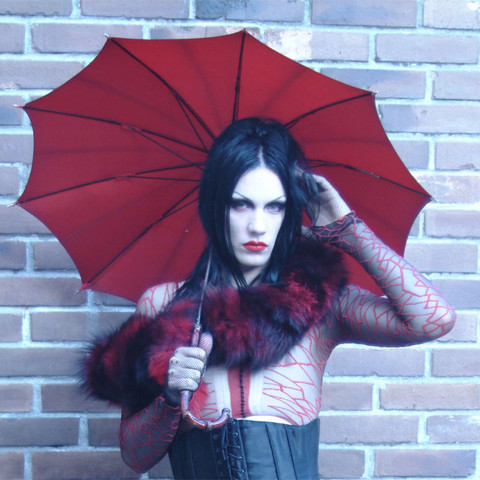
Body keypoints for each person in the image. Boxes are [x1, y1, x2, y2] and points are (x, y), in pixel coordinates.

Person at [84, 117, 455, 479]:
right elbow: (135, 457)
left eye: (274, 206)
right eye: (240, 204)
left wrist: (350, 232)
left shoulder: (322, 302)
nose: (258, 226)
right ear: (215, 205)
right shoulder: (164, 305)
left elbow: (433, 319)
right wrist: (169, 397)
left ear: (289, 211)